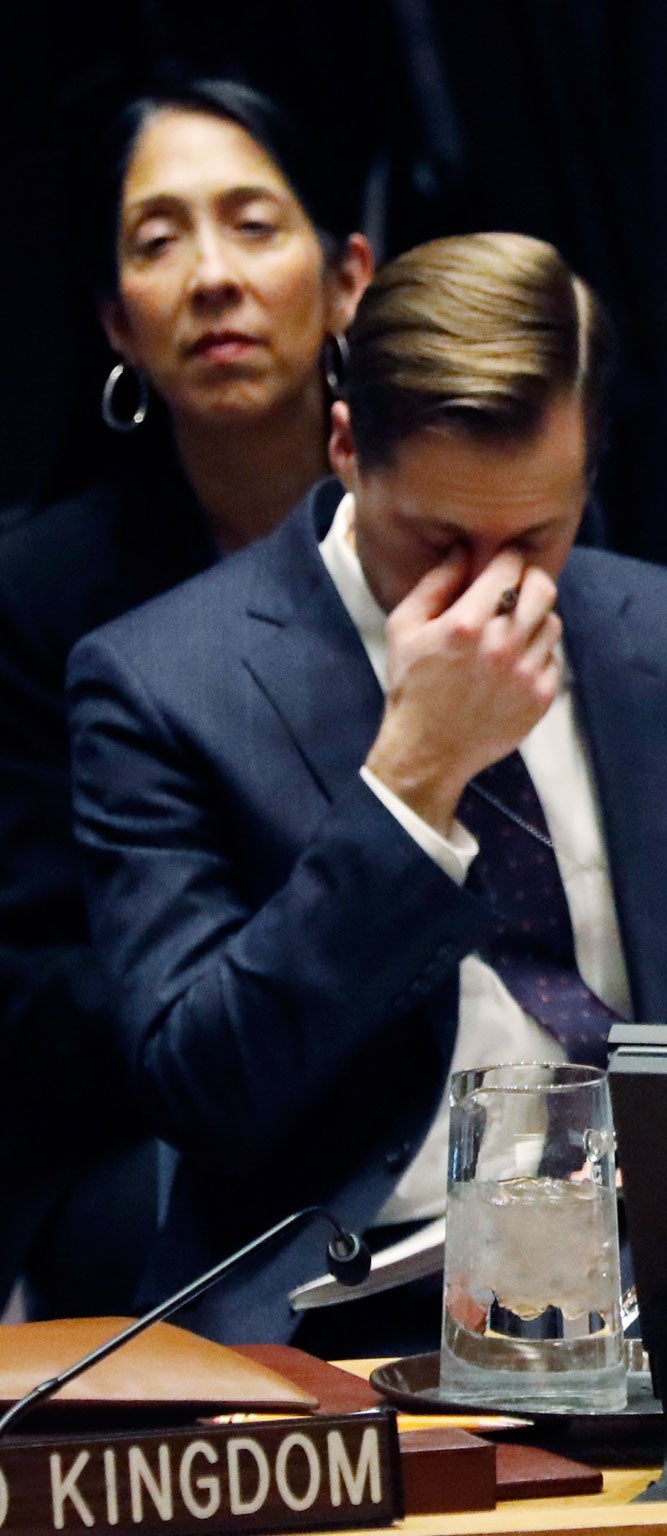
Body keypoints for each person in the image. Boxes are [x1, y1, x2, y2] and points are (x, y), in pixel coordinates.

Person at [67, 232, 667, 1347]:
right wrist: (414, 779)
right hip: (343, 1316)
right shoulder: (163, 683)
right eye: (439, 542)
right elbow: (205, 1092)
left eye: (537, 537)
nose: (494, 591)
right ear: (348, 446)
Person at [0, 79, 373, 1317]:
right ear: (119, 320)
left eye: (255, 225)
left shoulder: (457, 529)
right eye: (160, 241)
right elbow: (31, 982)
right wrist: (270, 1001)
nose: (212, 275)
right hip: (143, 1114)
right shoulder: (39, 595)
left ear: (348, 278)